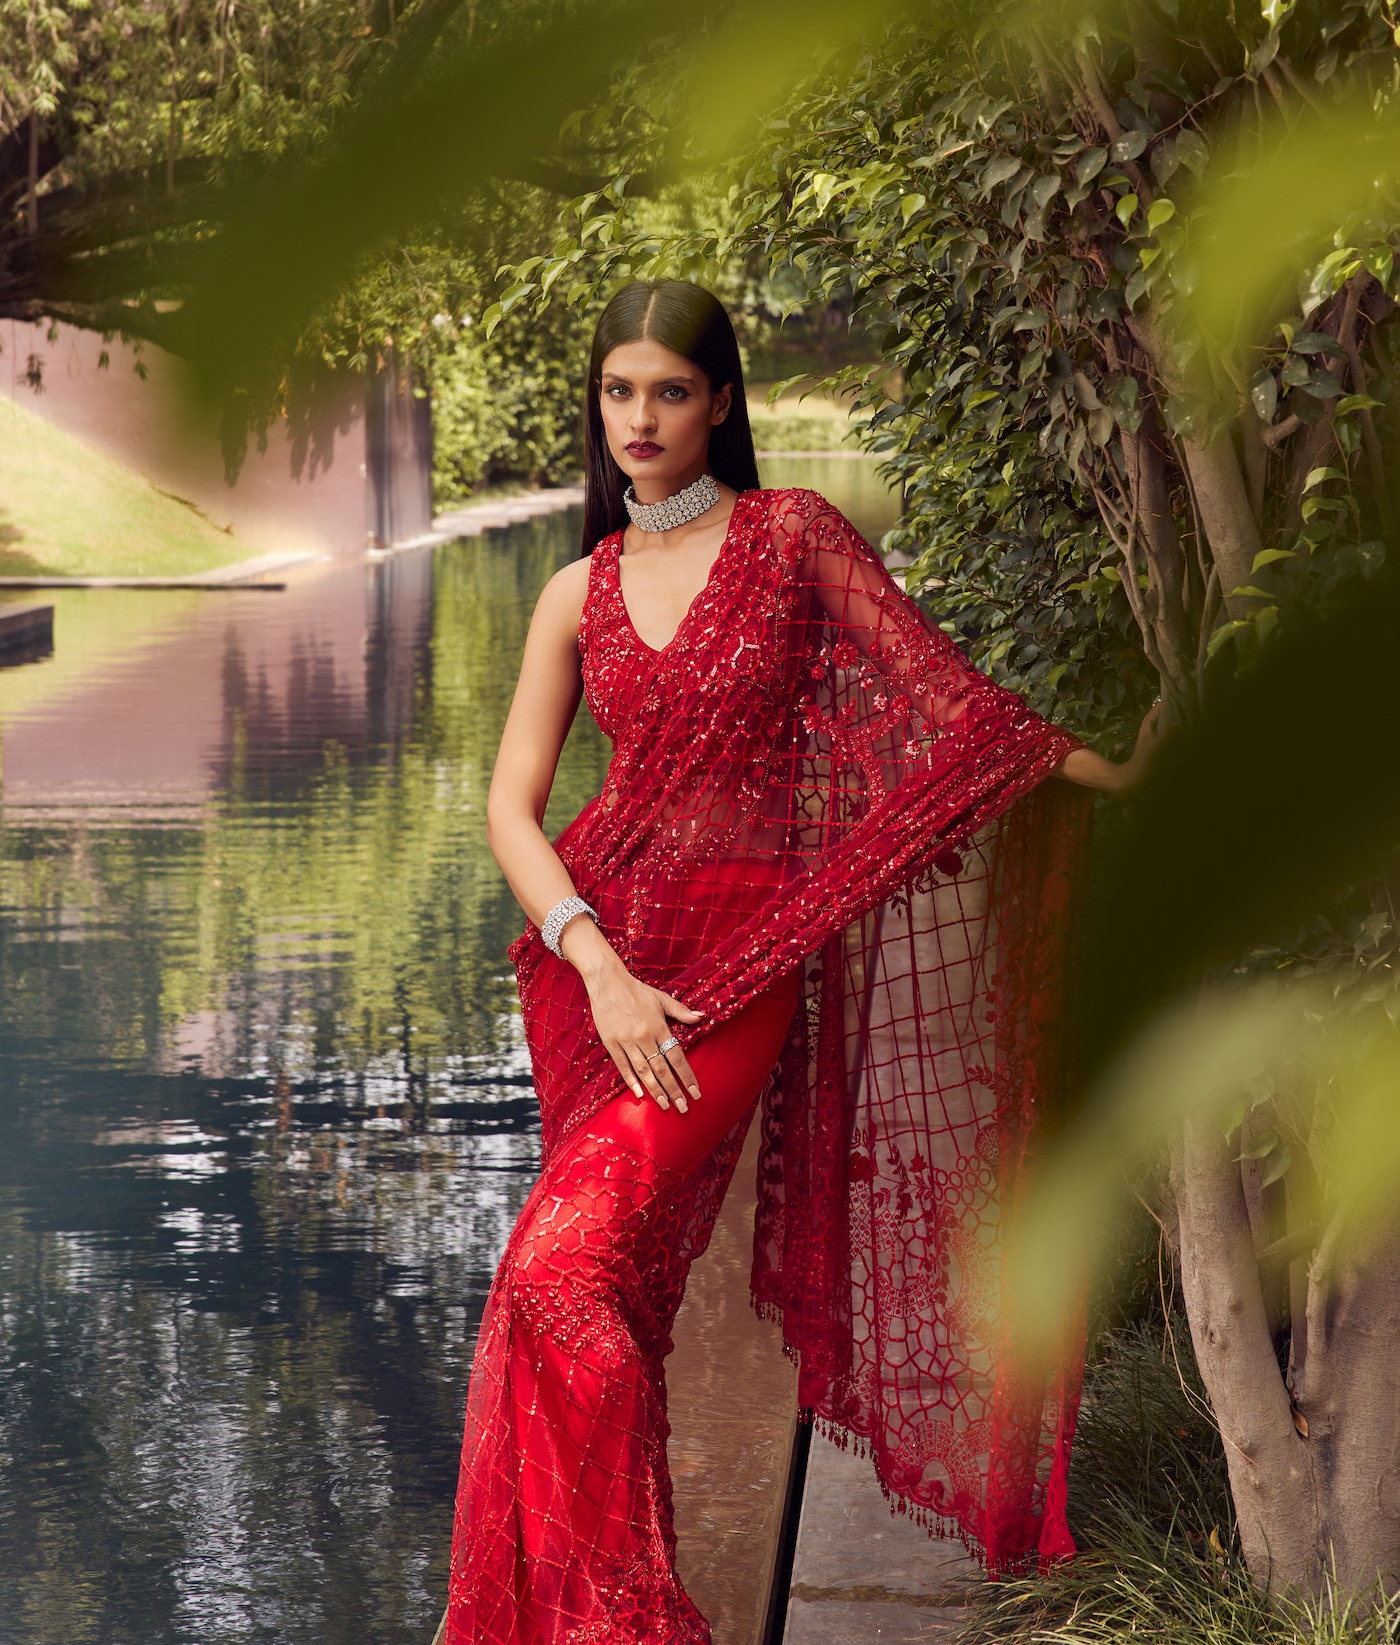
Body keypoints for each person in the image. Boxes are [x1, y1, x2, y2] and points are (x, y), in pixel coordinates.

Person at [441, 279, 1158, 1645]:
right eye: (617, 391)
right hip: (603, 968)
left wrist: (1115, 774)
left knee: (558, 1272)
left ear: (720, 402)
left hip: (734, 973)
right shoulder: (571, 591)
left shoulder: (792, 541)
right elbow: (509, 812)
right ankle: (579, 1607)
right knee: (602, 1286)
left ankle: (619, 1617)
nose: (639, 417)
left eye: (668, 390)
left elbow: (942, 708)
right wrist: (591, 961)